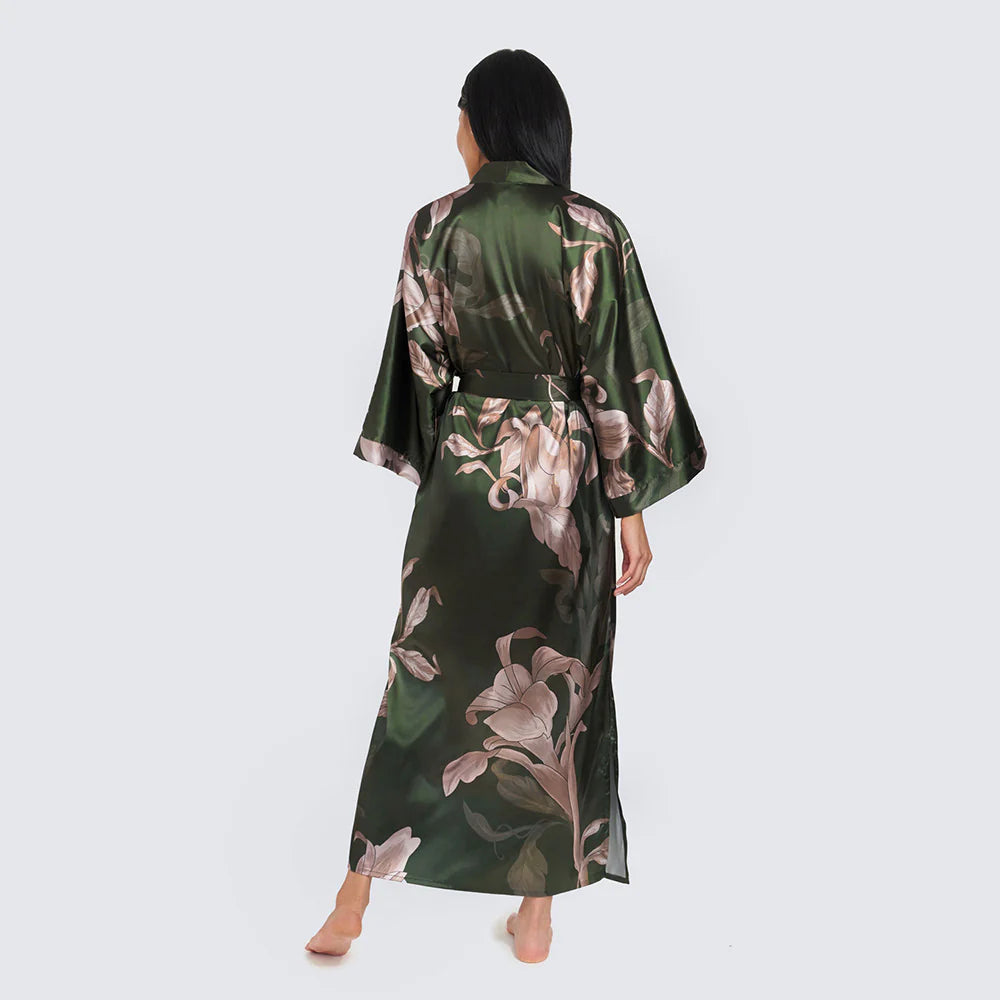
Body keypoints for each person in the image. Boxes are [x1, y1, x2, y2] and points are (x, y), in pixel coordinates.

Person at [307, 48, 707, 964]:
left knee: (421, 686)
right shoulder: (590, 230)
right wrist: (630, 508)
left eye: (460, 116)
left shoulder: (433, 225)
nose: (456, 134)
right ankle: (535, 918)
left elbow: (420, 365)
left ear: (486, 122)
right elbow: (620, 374)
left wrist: (452, 449)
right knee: (561, 690)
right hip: (561, 483)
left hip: (467, 473)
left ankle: (350, 903)